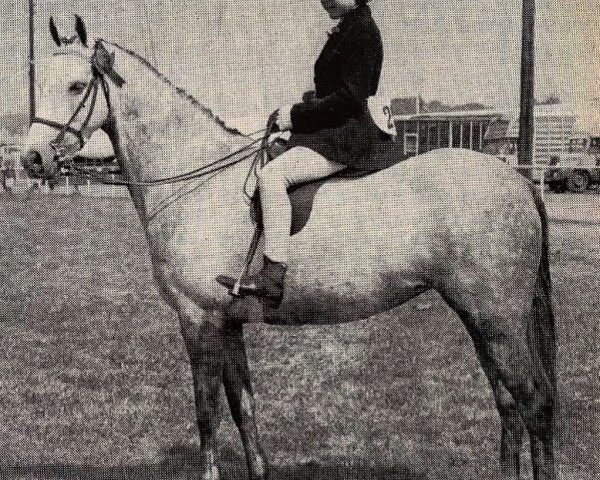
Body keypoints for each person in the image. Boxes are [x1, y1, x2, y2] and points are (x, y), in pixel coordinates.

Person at [217, 0, 387, 307]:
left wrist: (295, 115)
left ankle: (272, 278)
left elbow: (349, 98)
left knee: (272, 176)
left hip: (345, 138)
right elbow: (330, 93)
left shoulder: (362, 32)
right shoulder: (349, 28)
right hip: (331, 132)